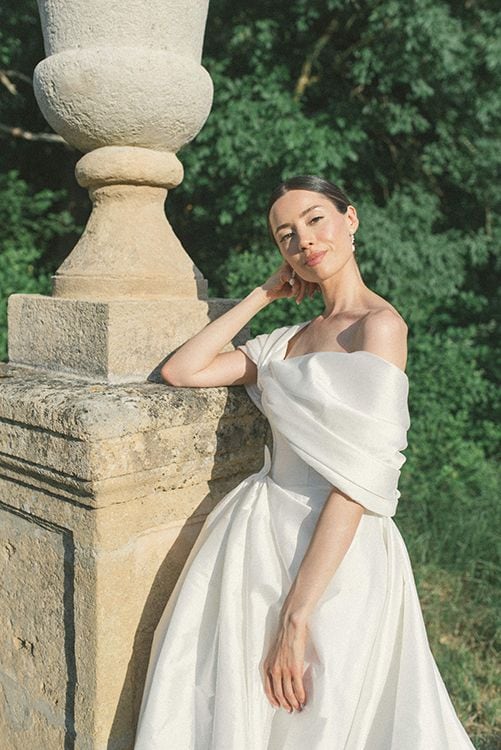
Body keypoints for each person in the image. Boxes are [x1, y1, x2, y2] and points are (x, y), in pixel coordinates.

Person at [133, 175, 476, 749]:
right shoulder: (286, 339)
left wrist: (298, 614)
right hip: (257, 543)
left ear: (351, 219)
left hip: (340, 554)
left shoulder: (380, 328)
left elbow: (357, 482)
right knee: (247, 708)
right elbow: (182, 371)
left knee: (321, 712)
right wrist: (265, 294)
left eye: (316, 219)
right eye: (285, 235)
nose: (304, 241)